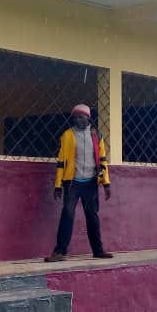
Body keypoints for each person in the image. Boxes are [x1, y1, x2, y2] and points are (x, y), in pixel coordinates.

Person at [45, 103, 113, 262]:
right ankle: (60, 252)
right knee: (67, 215)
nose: (77, 120)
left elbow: (102, 160)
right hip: (72, 183)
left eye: (80, 117)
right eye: (75, 117)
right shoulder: (67, 135)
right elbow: (61, 162)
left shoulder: (96, 136)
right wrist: (58, 185)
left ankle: (98, 251)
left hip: (91, 182)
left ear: (88, 117)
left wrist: (106, 183)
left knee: (92, 216)